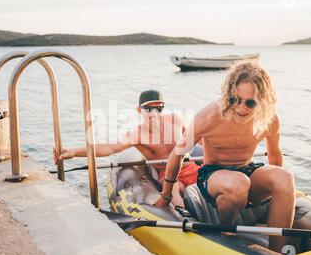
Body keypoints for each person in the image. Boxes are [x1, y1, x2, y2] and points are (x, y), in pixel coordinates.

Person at [154, 62, 296, 253]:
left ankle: (277, 254)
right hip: (212, 176)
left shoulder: (269, 119)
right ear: (227, 94)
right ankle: (226, 232)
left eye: (250, 102)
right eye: (234, 99)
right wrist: (166, 195)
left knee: (285, 178)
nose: (240, 107)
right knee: (239, 183)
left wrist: (283, 192)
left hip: (247, 170)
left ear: (263, 101)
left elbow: (275, 155)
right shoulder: (211, 116)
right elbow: (178, 153)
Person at [53, 89, 200, 207]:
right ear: (139, 110)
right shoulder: (136, 134)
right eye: (149, 109)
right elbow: (110, 148)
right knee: (172, 191)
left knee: (211, 182)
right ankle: (189, 222)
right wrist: (74, 152)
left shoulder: (176, 120)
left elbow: (196, 141)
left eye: (159, 109)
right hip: (169, 177)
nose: (154, 114)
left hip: (191, 169)